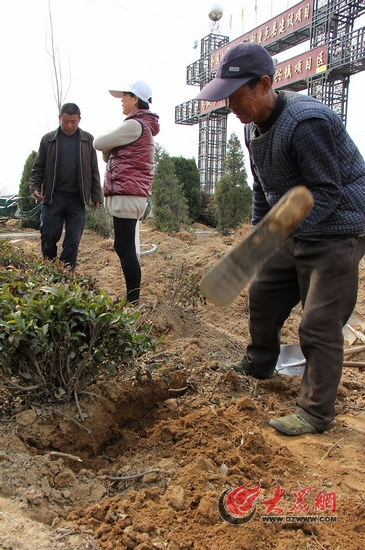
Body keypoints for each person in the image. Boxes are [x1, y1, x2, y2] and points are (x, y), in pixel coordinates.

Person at [195, 42, 365, 436]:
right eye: (226, 98)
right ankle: (259, 364)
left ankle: (315, 412)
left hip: (339, 230)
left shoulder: (307, 123)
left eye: (237, 96)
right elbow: (262, 189)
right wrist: (259, 239)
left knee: (319, 323)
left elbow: (326, 192)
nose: (231, 106)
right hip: (294, 226)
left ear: (265, 84)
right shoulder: (252, 126)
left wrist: (279, 234)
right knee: (264, 293)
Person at [93, 80, 160, 305]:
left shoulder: (134, 125)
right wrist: (111, 148)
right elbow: (106, 154)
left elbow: (99, 143)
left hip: (127, 193)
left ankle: (133, 301)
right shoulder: (141, 126)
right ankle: (132, 299)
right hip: (130, 193)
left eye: (125, 96)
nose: (122, 100)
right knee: (124, 246)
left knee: (124, 247)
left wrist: (111, 146)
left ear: (136, 99)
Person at [30, 103, 102, 271]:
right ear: (59, 118)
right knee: (48, 234)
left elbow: (93, 169)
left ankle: (66, 271)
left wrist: (96, 194)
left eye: (73, 121)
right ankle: (49, 268)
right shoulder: (48, 140)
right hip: (53, 197)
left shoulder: (87, 140)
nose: (69, 125)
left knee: (73, 238)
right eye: (66, 121)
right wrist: (35, 189)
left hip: (77, 198)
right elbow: (38, 168)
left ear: (79, 120)